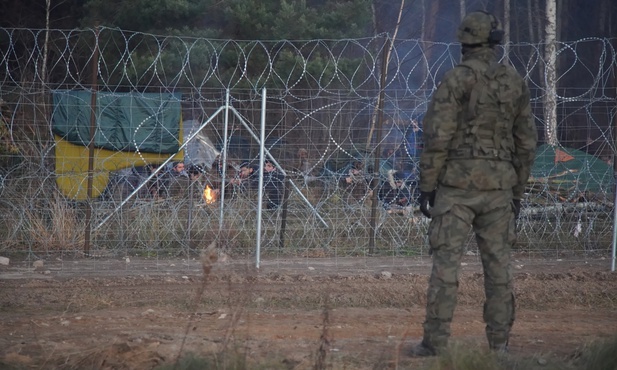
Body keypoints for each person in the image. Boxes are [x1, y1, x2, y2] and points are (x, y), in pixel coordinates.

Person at [410, 11, 537, 356]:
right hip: (498, 188)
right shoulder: (514, 82)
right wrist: (517, 191)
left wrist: (427, 185)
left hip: (456, 187)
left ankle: (434, 343)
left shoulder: (455, 79)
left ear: (464, 41)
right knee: (499, 269)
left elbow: (437, 136)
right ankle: (499, 345)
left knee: (446, 265)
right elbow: (526, 143)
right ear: (495, 41)